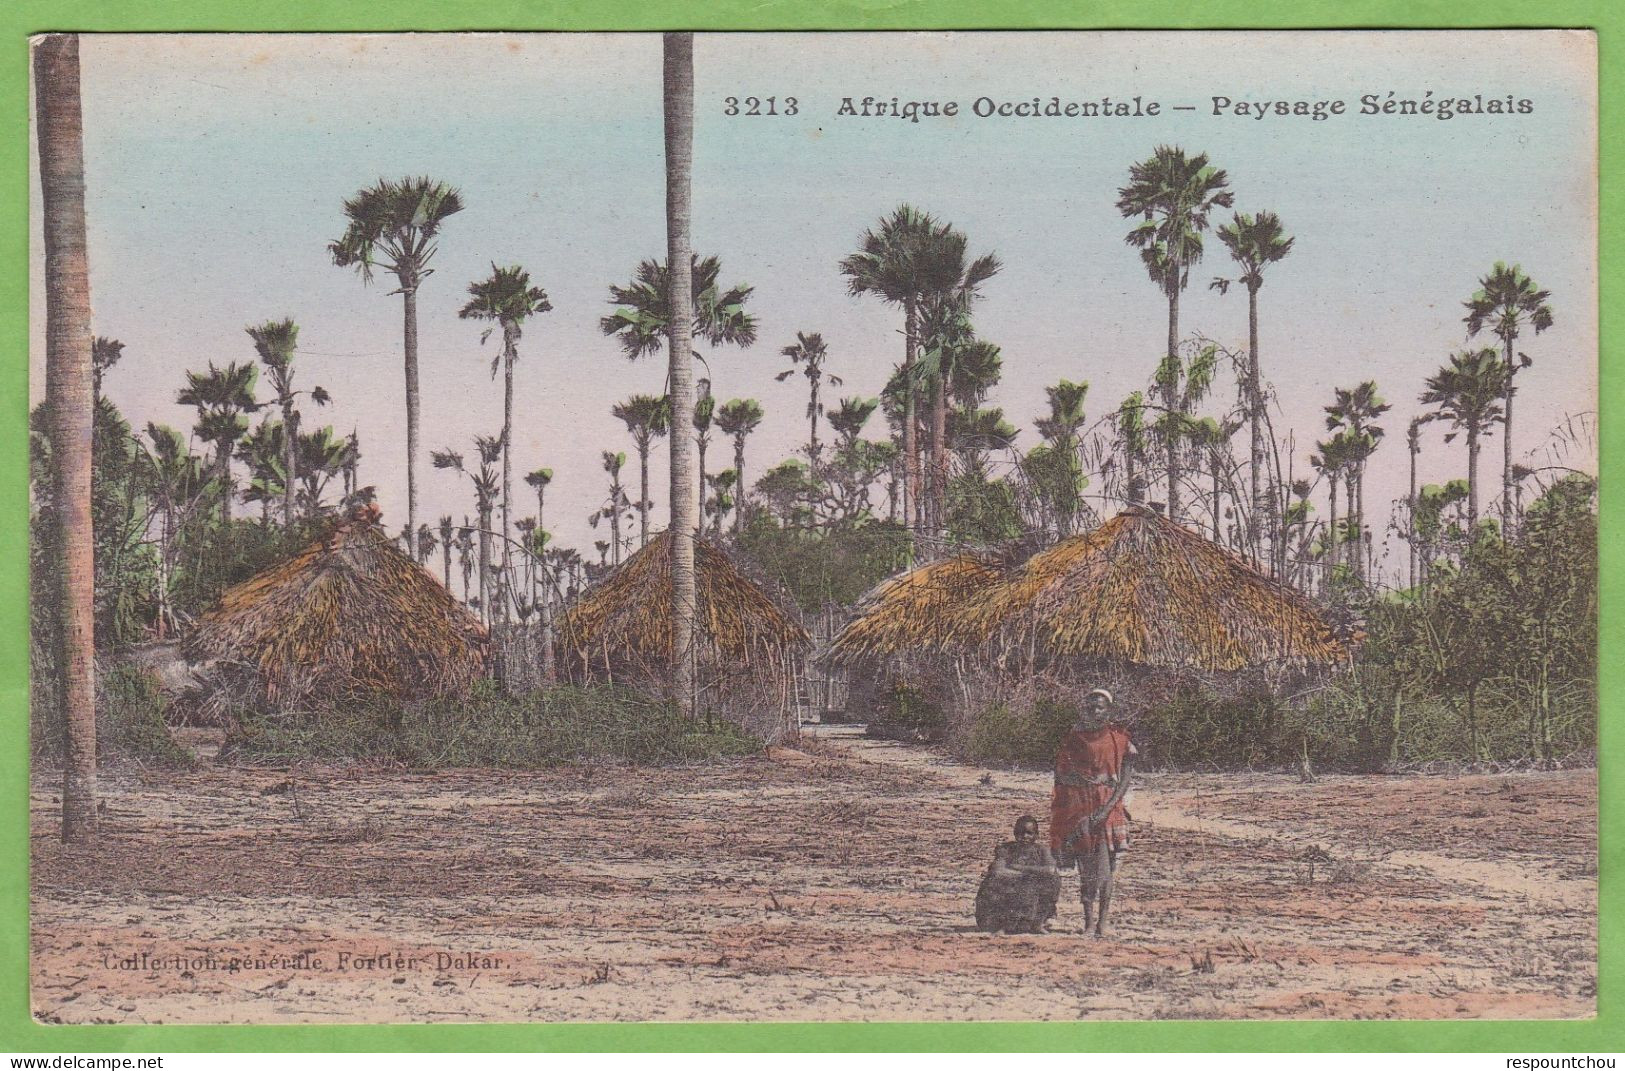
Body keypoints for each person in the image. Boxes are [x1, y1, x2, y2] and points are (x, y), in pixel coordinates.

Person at [1051, 687, 1137, 936]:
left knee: (1107, 866)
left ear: (1108, 710)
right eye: (1090, 706)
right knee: (1087, 864)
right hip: (1080, 805)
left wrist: (1108, 808)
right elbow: (1061, 773)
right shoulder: (1073, 739)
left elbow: (1125, 778)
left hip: (1109, 806)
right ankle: (1088, 921)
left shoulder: (1119, 739)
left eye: (1100, 707)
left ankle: (1103, 921)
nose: (1095, 711)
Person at [974, 815, 1062, 935]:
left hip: (1030, 901)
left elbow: (1051, 870)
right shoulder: (1006, 849)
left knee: (1053, 880)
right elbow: (998, 871)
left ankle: (1037, 923)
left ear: (1036, 835)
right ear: (1015, 833)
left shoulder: (1042, 850)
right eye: (1021, 833)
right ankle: (1002, 925)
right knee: (997, 881)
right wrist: (1027, 876)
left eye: (1029, 833)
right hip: (1005, 903)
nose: (1025, 837)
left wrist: (1020, 869)